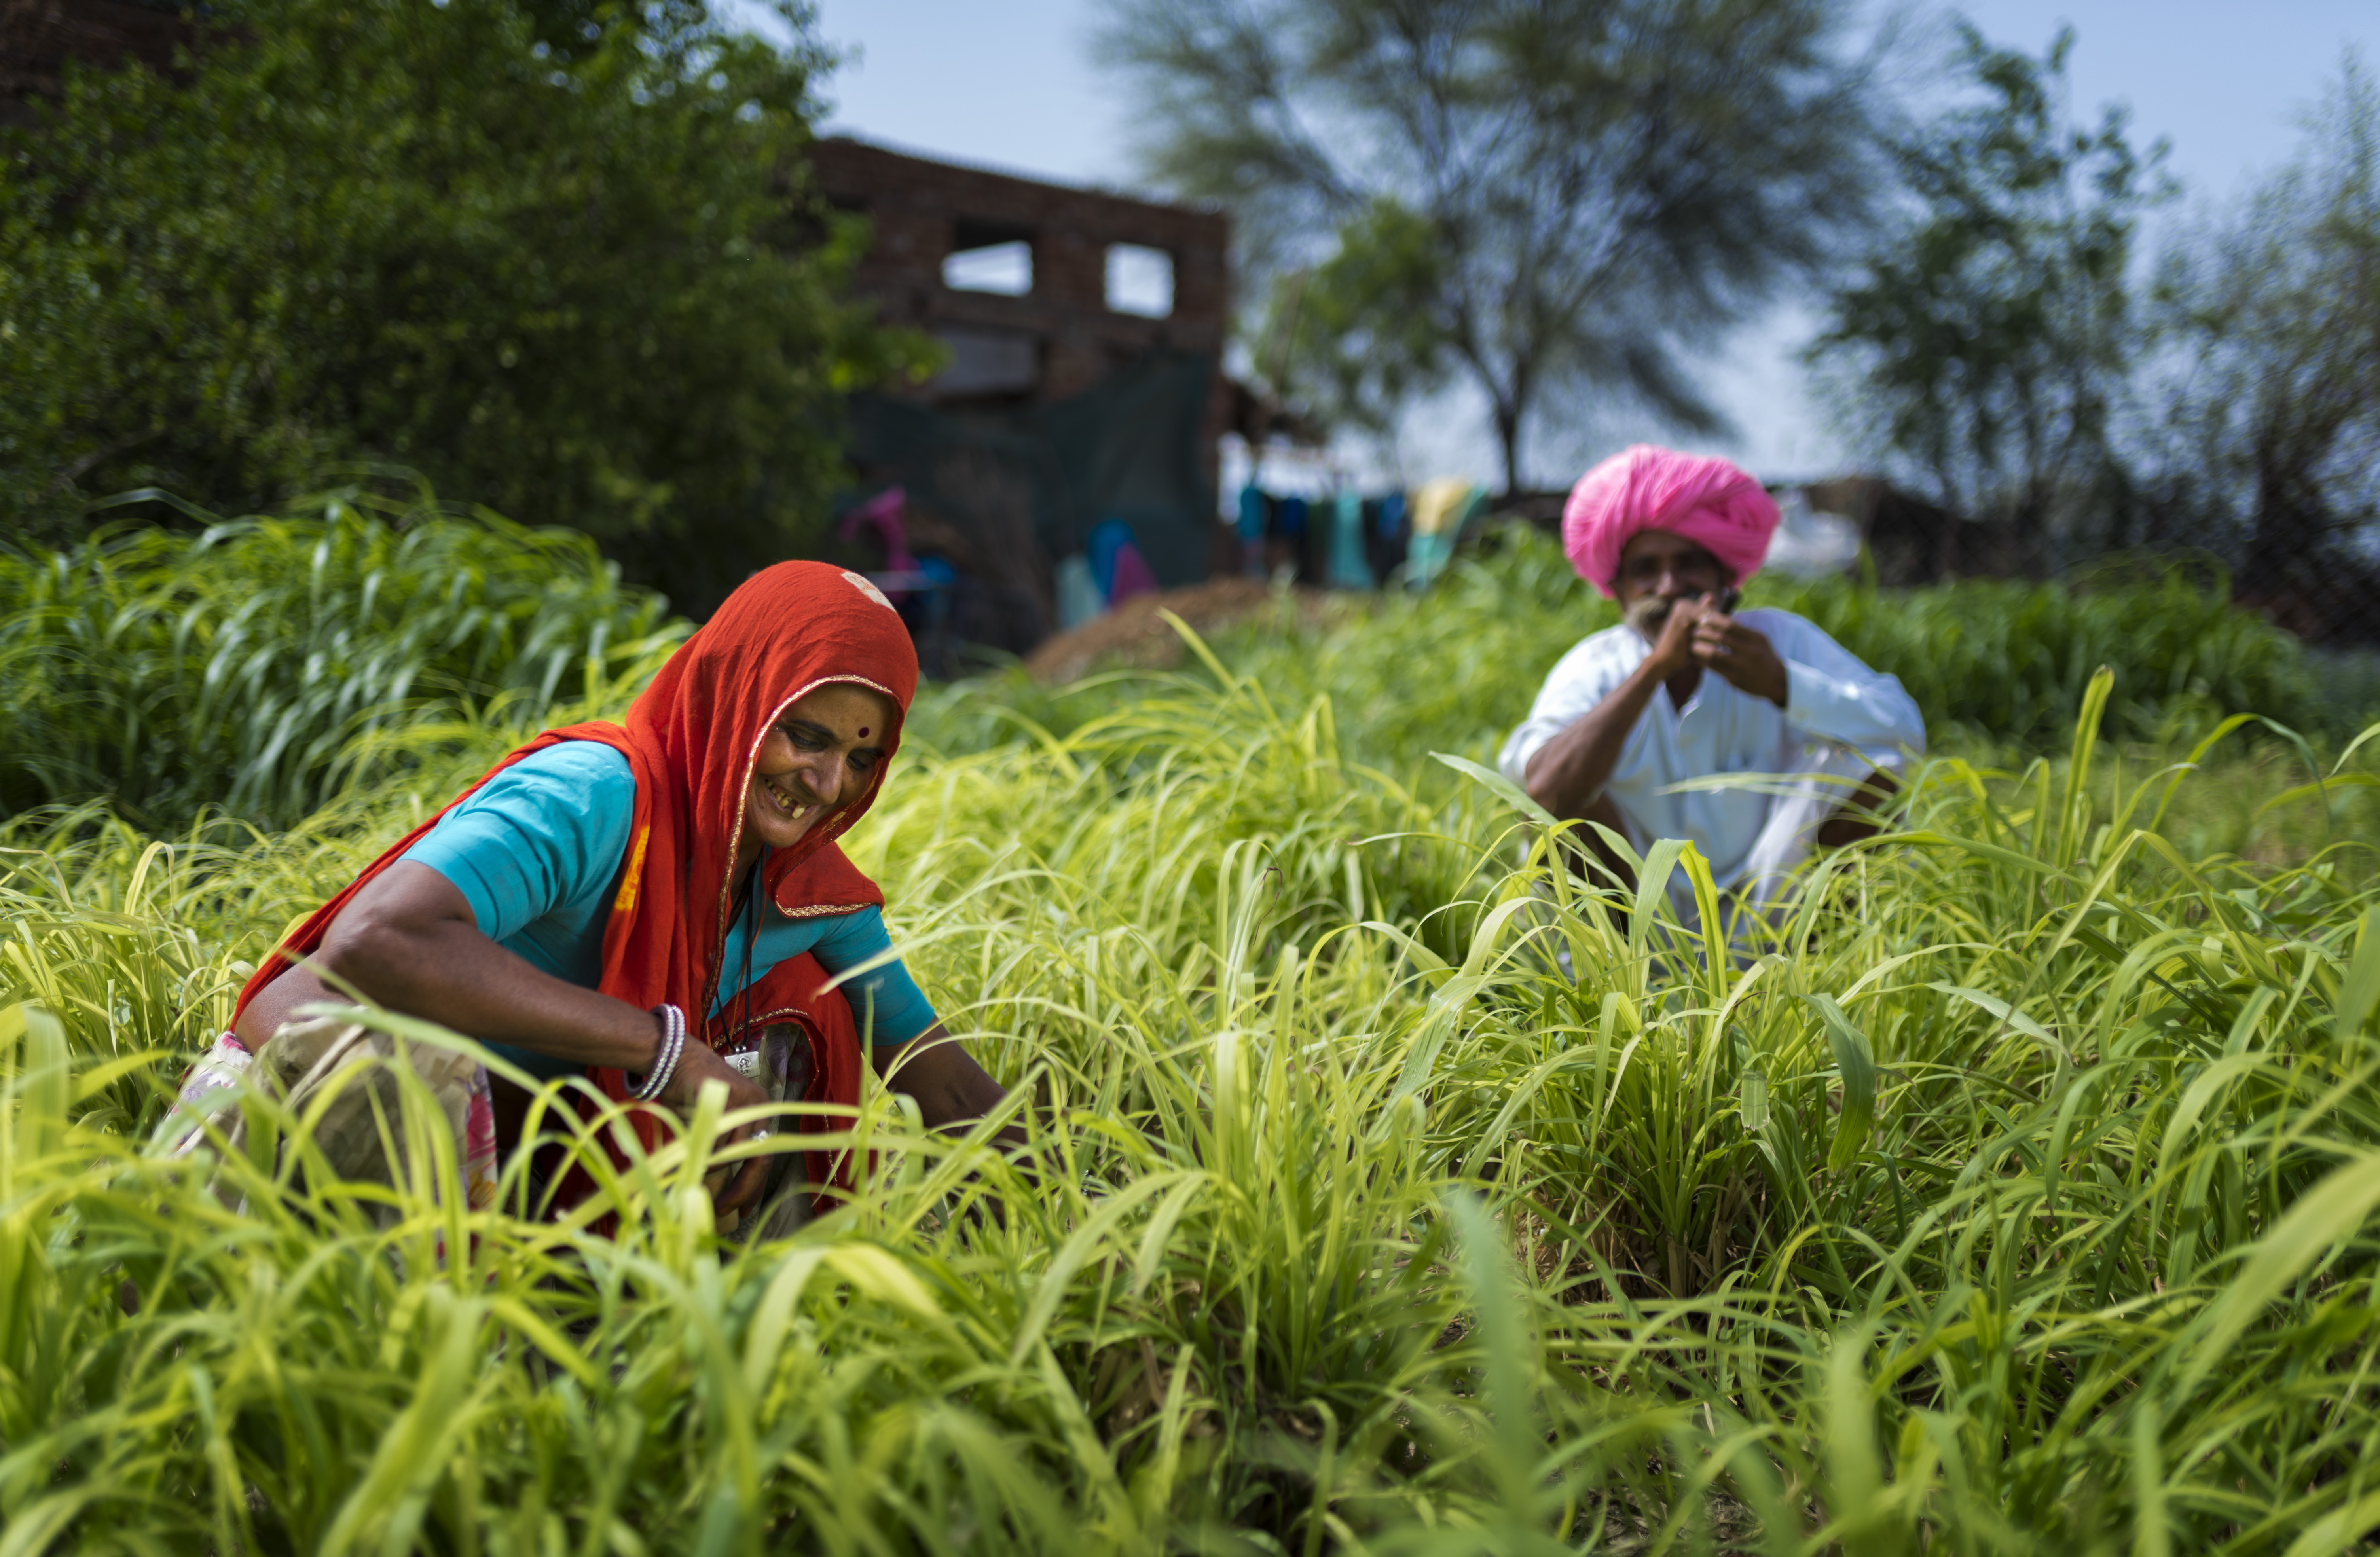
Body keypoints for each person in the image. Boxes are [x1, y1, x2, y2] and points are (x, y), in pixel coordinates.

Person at [184, 561, 1013, 1229]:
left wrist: (1089, 1218)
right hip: (317, 1127)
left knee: (799, 1016)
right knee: (422, 1073)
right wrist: (666, 1050)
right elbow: (377, 941)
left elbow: (949, 1091)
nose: (828, 781)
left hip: (503, 1159)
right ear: (737, 698)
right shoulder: (596, 796)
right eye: (805, 735)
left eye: (861, 759)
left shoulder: (806, 894)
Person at [1498, 445, 1925, 925]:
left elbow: (1902, 728)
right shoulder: (1597, 665)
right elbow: (1544, 787)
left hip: (1772, 906)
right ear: (1618, 590)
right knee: (1562, 802)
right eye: (1646, 570)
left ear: (1725, 579)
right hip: (1638, 921)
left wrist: (1784, 685)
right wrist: (1653, 670)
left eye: (1688, 564)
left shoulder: (1778, 641)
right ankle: (1609, 984)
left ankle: (1818, 973)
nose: (1668, 586)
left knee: (1873, 765)